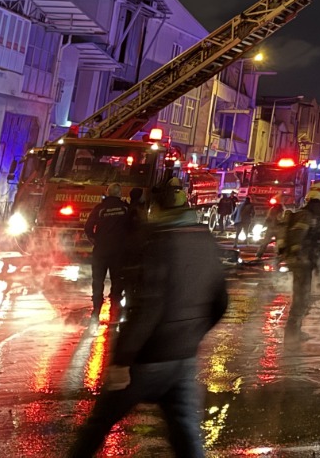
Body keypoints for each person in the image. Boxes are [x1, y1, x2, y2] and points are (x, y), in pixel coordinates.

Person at [67, 177, 228, 458]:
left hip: (148, 358)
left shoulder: (159, 241)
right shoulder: (206, 240)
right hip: (183, 359)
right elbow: (221, 302)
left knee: (98, 425)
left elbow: (148, 307)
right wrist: (192, 336)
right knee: (186, 434)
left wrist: (122, 360)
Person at [84, 183, 134, 321]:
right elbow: (133, 227)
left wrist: (95, 240)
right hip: (119, 251)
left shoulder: (100, 208)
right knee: (117, 281)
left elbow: (88, 227)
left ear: (107, 193)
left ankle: (96, 311)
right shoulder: (125, 208)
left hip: (101, 251)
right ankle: (114, 312)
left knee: (97, 281)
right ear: (119, 194)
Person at [277, 194, 320, 336]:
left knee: (302, 297)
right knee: (301, 297)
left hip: (302, 262)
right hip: (301, 262)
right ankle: (292, 332)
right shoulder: (305, 216)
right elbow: (297, 238)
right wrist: (300, 257)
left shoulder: (306, 215)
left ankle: (295, 330)